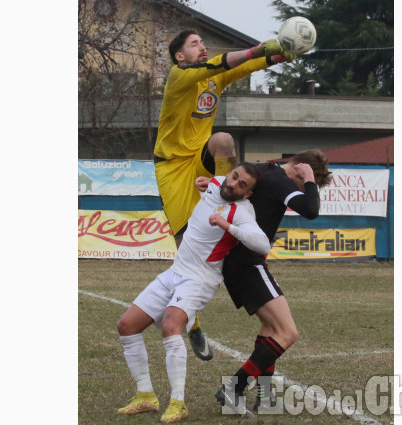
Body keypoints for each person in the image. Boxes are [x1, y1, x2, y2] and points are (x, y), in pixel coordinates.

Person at [154, 28, 296, 361]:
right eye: (194, 44)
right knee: (186, 245)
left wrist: (280, 54)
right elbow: (228, 61)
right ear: (179, 56)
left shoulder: (213, 79)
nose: (201, 47)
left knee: (223, 140)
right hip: (173, 166)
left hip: (201, 157)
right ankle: (193, 323)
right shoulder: (179, 75)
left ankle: (232, 197)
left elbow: (244, 67)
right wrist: (258, 48)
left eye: (203, 43)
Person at [116, 163, 271, 424]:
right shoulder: (217, 182)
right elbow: (211, 182)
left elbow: (263, 244)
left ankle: (178, 403)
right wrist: (205, 182)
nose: (233, 184)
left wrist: (227, 226)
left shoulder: (242, 212)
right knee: (126, 326)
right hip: (174, 272)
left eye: (242, 185)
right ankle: (145, 396)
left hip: (200, 279)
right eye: (234, 177)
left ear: (248, 195)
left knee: (170, 326)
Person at [196, 150, 332, 416]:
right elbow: (311, 210)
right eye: (303, 180)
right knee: (287, 333)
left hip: (240, 262)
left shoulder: (265, 169)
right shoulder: (282, 179)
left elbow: (237, 177)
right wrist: (309, 182)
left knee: (271, 327)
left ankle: (265, 396)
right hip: (247, 264)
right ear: (300, 169)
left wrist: (213, 181)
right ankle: (234, 388)